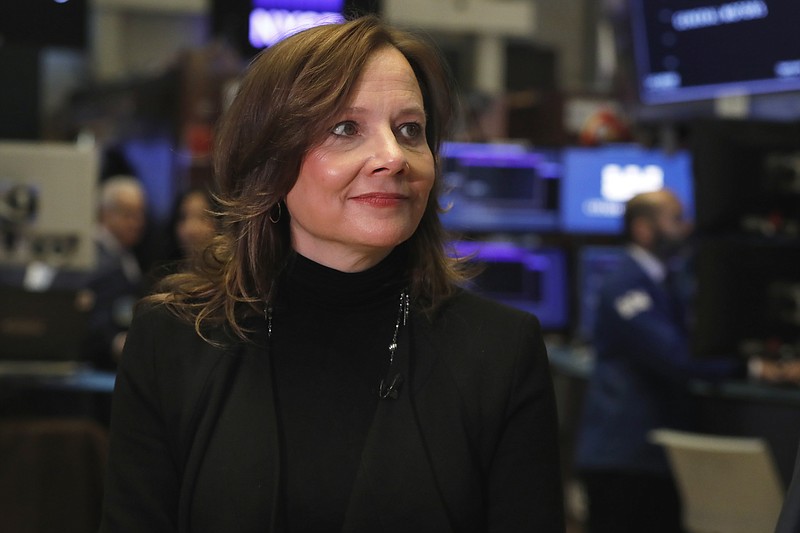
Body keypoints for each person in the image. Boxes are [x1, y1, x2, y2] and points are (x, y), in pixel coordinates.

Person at [100, 15, 565, 533]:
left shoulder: (501, 352)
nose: (393, 157)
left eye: (410, 130)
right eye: (346, 128)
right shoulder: (173, 341)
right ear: (269, 158)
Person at [573, 189, 756, 533]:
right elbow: (676, 356)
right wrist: (753, 368)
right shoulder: (626, 286)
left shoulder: (667, 283)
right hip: (623, 459)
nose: (686, 228)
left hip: (653, 459)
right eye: (676, 219)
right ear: (643, 229)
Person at [85, 175, 147, 369]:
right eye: (127, 214)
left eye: (140, 214)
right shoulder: (90, 256)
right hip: (94, 361)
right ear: (104, 214)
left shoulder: (125, 253)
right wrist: (113, 341)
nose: (136, 222)